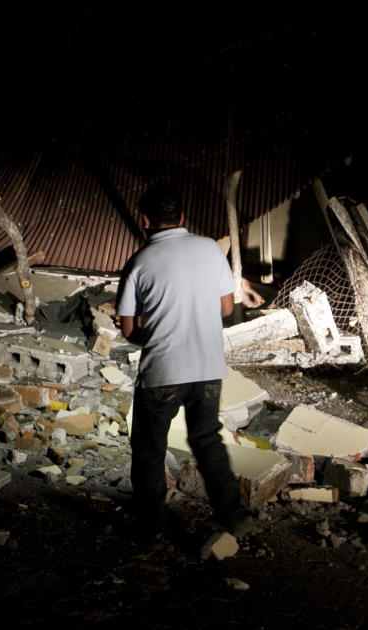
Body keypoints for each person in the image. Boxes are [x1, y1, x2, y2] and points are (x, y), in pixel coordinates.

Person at [115, 183, 252, 544]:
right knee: (207, 440)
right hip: (208, 370)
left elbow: (129, 328)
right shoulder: (209, 249)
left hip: (162, 372)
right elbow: (225, 308)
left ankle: (151, 526)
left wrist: (154, 322)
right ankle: (234, 516)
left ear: (145, 220)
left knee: (149, 450)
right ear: (182, 217)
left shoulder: (139, 262)